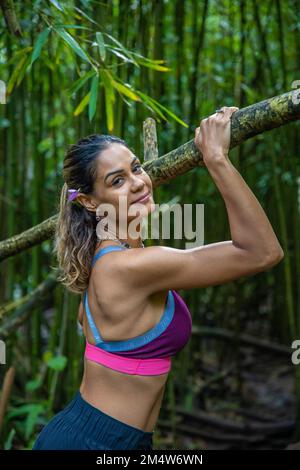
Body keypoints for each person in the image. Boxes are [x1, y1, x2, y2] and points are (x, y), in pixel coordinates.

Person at [32, 106, 283, 450]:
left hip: (115, 439)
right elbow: (262, 252)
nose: (137, 182)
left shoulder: (106, 260)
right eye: (117, 180)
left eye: (136, 168)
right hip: (92, 443)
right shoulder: (130, 267)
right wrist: (216, 158)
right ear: (90, 202)